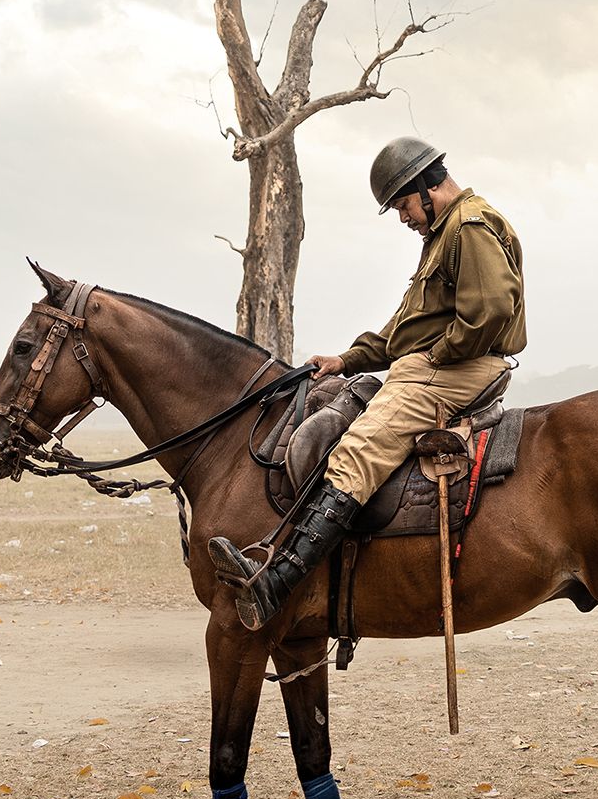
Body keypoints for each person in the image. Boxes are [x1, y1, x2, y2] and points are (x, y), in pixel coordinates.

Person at [208, 137, 527, 630]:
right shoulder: (443, 235)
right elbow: (405, 331)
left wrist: (434, 357)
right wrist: (347, 360)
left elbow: (492, 311)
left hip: (461, 368)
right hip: (437, 362)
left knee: (359, 450)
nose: (404, 218)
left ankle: (276, 583)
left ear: (426, 187)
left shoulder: (468, 226)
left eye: (403, 205)